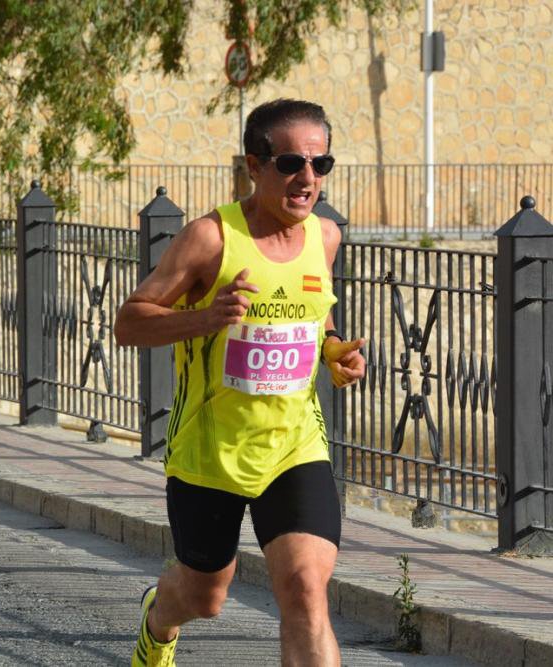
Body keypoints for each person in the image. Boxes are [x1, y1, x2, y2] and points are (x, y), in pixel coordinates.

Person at [114, 99, 366, 667]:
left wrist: (333, 351)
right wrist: (202, 318)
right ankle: (159, 619)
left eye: (320, 165)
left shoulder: (324, 237)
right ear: (254, 166)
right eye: (290, 164)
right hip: (211, 451)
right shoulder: (210, 239)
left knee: (306, 591)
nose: (307, 179)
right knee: (205, 597)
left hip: (294, 446)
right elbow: (129, 323)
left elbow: (315, 316)